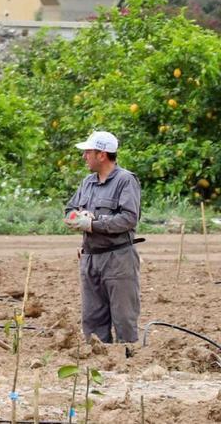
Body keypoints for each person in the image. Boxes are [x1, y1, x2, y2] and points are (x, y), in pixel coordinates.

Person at [64, 131, 142, 343]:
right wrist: (76, 217)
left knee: (124, 318)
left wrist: (93, 223)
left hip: (118, 259)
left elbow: (128, 218)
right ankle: (98, 366)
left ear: (102, 155)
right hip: (90, 259)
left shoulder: (126, 181)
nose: (84, 156)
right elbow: (69, 210)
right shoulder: (87, 182)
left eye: (88, 152)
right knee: (92, 319)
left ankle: (128, 366)